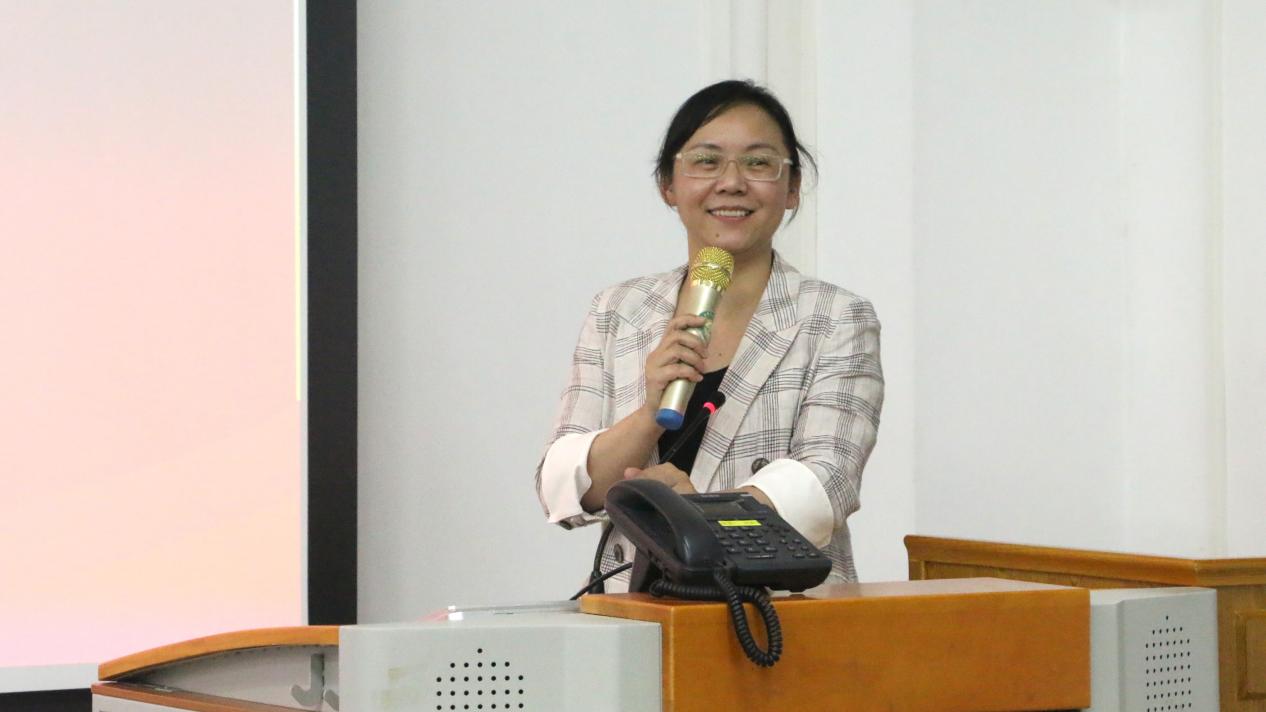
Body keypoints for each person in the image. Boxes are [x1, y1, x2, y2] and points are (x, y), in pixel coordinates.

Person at [534, 80, 884, 592]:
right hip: (636, 608)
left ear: (791, 189)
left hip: (781, 608)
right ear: (668, 185)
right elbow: (562, 487)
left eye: (759, 163)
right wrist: (648, 414)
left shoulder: (836, 317)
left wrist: (692, 514)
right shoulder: (618, 310)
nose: (732, 182)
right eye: (706, 161)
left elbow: (826, 481)